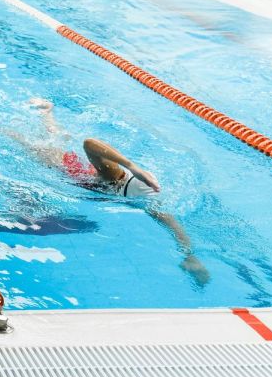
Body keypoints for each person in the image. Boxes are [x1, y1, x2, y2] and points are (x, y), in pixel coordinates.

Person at [17, 98, 210, 285]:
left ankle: (47, 112)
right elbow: (90, 143)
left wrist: (190, 256)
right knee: (33, 145)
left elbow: (175, 228)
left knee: (52, 140)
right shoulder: (114, 176)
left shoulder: (147, 200)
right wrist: (131, 166)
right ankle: (47, 112)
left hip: (81, 173)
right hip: (75, 171)